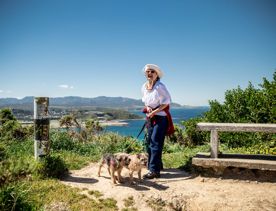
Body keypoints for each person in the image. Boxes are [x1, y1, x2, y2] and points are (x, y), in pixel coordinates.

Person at [141, 64, 173, 179]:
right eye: (148, 72)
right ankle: (156, 165)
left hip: (160, 118)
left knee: (155, 142)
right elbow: (146, 101)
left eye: (152, 72)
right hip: (151, 117)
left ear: (156, 74)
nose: (149, 73)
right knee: (149, 142)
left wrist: (154, 111)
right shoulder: (144, 87)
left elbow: (166, 102)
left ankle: (154, 171)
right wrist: (148, 108)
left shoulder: (160, 87)